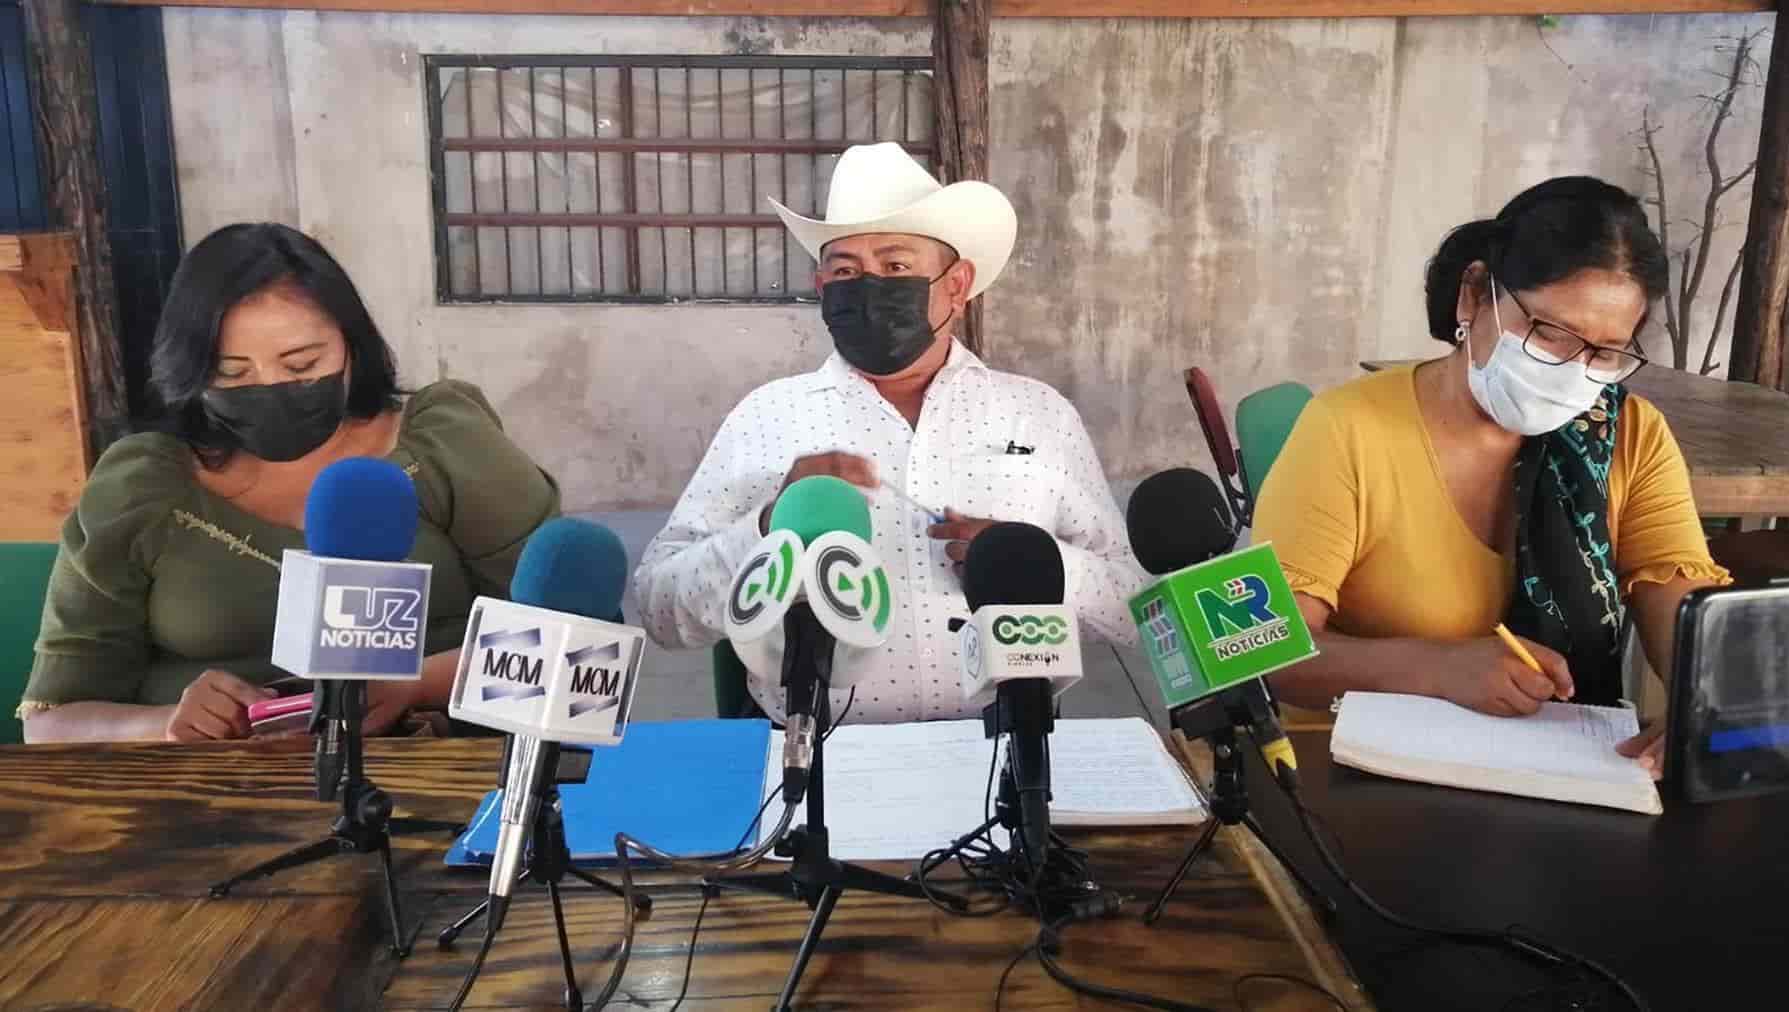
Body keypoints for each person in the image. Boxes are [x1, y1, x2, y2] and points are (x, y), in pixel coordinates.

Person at [633, 142, 1144, 724]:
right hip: (813, 754)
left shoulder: (1039, 414)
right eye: (845, 271)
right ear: (822, 287)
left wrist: (1033, 563)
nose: (868, 287)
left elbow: (1134, 606)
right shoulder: (766, 417)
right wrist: (769, 530)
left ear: (957, 286)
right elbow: (660, 609)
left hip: (1012, 751)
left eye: (896, 267)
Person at [1252, 177, 1730, 776]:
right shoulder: (1348, 430)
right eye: (1549, 332)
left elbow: (1689, 628)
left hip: (1568, 778)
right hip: (1364, 775)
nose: (1573, 370)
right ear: (1475, 295)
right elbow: (1267, 652)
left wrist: (1701, 707)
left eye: (1605, 352)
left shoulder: (1627, 436)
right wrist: (1437, 668)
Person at [20, 223, 559, 743]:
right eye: (232, 373)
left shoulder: (445, 445)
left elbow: (575, 652)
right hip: (213, 788)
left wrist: (416, 685)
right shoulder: (142, 486)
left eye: (302, 364)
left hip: (440, 771)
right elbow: (50, 720)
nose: (272, 388)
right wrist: (167, 725)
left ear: (351, 346)